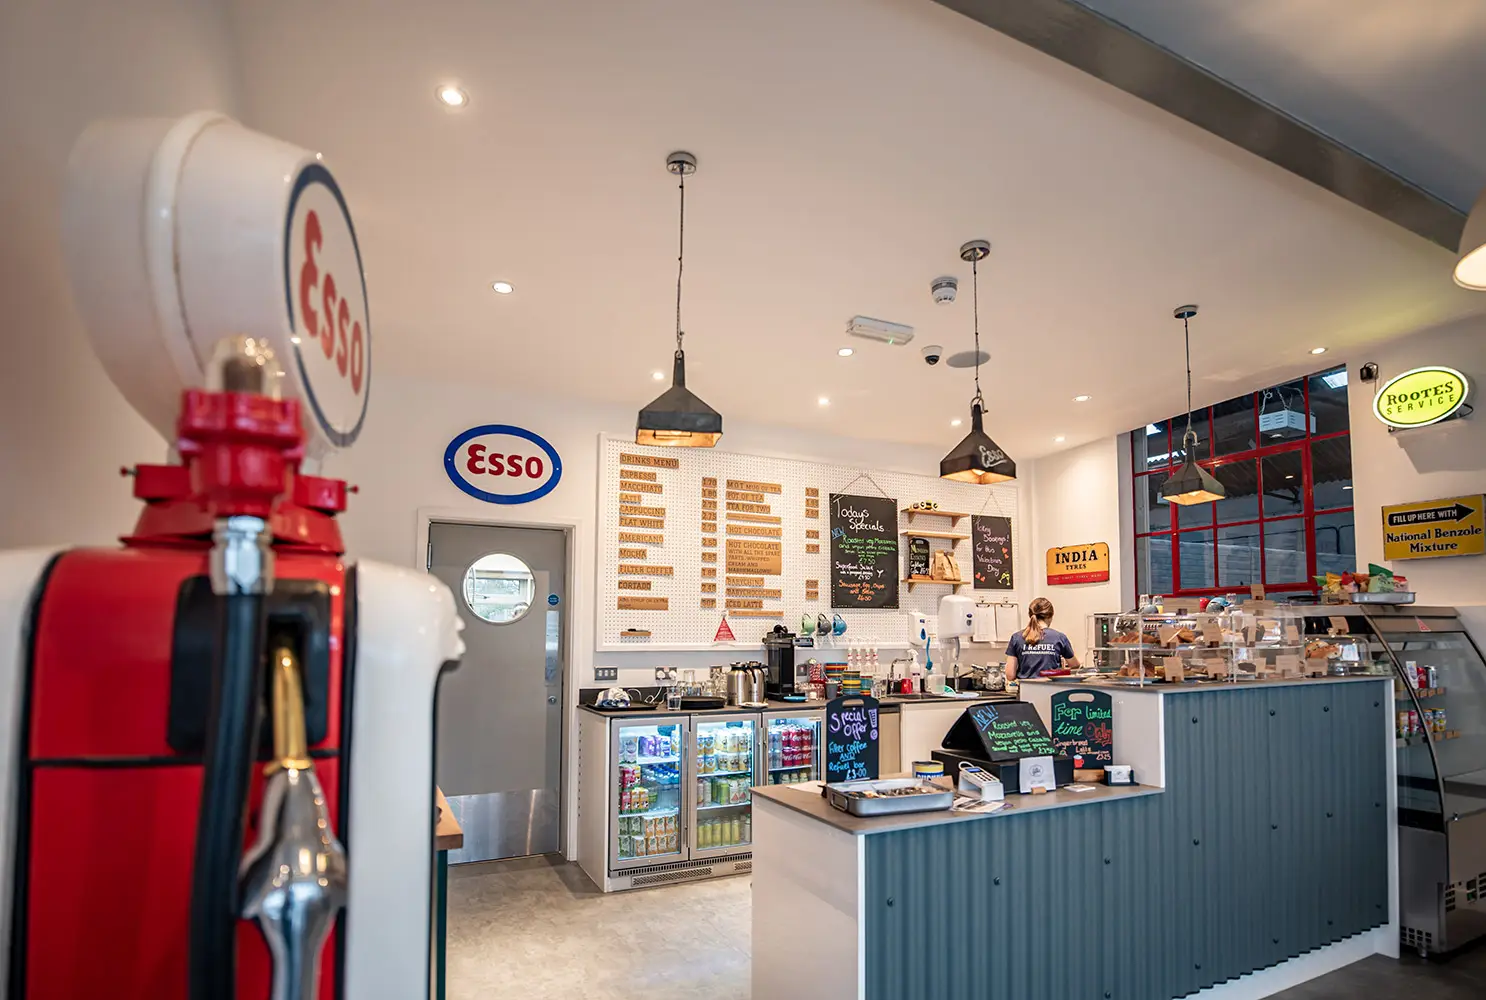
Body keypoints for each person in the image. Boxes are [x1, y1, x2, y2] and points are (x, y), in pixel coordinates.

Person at [1005, 597, 1081, 679]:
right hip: (1051, 686)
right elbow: (1075, 666)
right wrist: (1061, 670)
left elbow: (1010, 675)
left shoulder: (1016, 638)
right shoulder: (1060, 637)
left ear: (1030, 615)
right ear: (1050, 616)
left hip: (1026, 686)